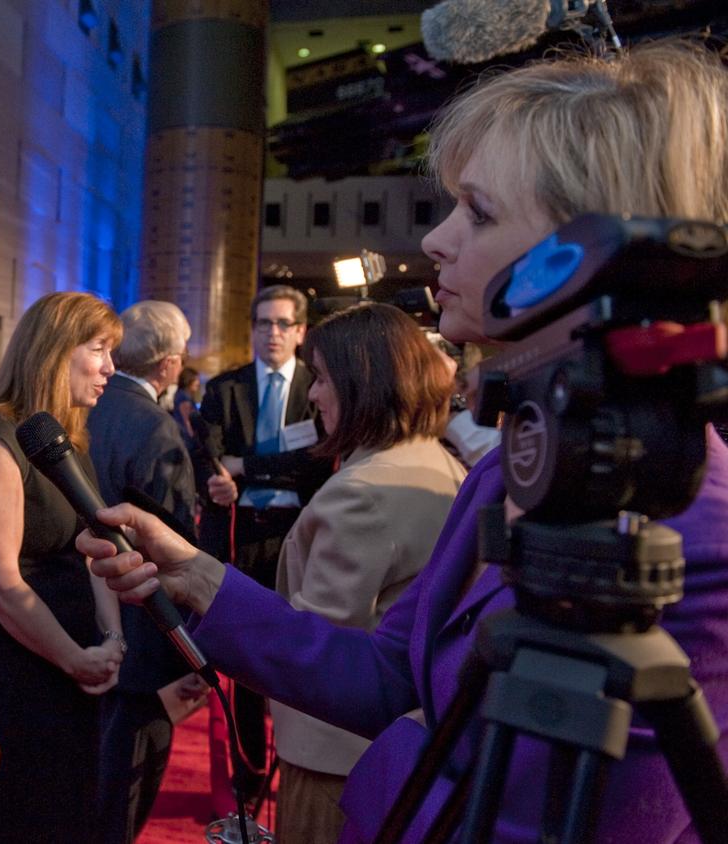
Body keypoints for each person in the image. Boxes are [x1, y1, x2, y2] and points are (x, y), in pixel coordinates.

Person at [78, 41, 728, 843]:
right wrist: (197, 575)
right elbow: (388, 675)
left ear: (586, 255)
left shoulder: (696, 535)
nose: (438, 241)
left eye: (480, 212)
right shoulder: (501, 478)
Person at [269, 303, 466, 844]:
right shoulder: (439, 462)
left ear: (364, 384)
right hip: (397, 747)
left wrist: (209, 591)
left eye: (324, 379)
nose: (313, 395)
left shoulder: (363, 491)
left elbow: (315, 648)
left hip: (336, 758)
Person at [0, 291, 124, 843]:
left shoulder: (64, 441)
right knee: (13, 817)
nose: (110, 369)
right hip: (18, 666)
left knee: (68, 812)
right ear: (55, 350)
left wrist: (112, 639)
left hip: (77, 662)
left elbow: (95, 547)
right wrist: (76, 658)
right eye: (99, 350)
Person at [194, 283, 334, 798]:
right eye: (262, 323)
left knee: (298, 658)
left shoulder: (319, 390)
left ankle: (299, 769)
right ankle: (250, 778)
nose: (271, 333)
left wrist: (246, 465)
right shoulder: (225, 389)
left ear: (300, 332)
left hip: (301, 539)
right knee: (247, 664)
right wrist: (219, 476)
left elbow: (316, 459)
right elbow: (205, 453)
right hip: (241, 536)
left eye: (282, 324)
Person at [86, 299, 204, 843]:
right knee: (125, 784)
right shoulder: (156, 429)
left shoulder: (82, 407)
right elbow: (173, 546)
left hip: (78, 615)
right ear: (168, 364)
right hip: (140, 626)